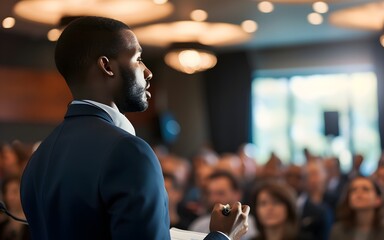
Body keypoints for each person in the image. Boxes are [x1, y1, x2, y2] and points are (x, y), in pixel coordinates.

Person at [19, 16, 249, 240]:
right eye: (138, 59)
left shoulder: (39, 158)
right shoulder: (129, 152)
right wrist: (221, 236)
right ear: (107, 66)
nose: (148, 72)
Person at [189, 170, 258, 239]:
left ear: (237, 194)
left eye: (220, 193)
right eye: (210, 194)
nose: (214, 199)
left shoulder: (252, 226)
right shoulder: (198, 225)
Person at [330, 176, 384, 240]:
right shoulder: (337, 231)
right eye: (353, 190)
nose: (358, 192)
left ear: (378, 200)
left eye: (365, 189)